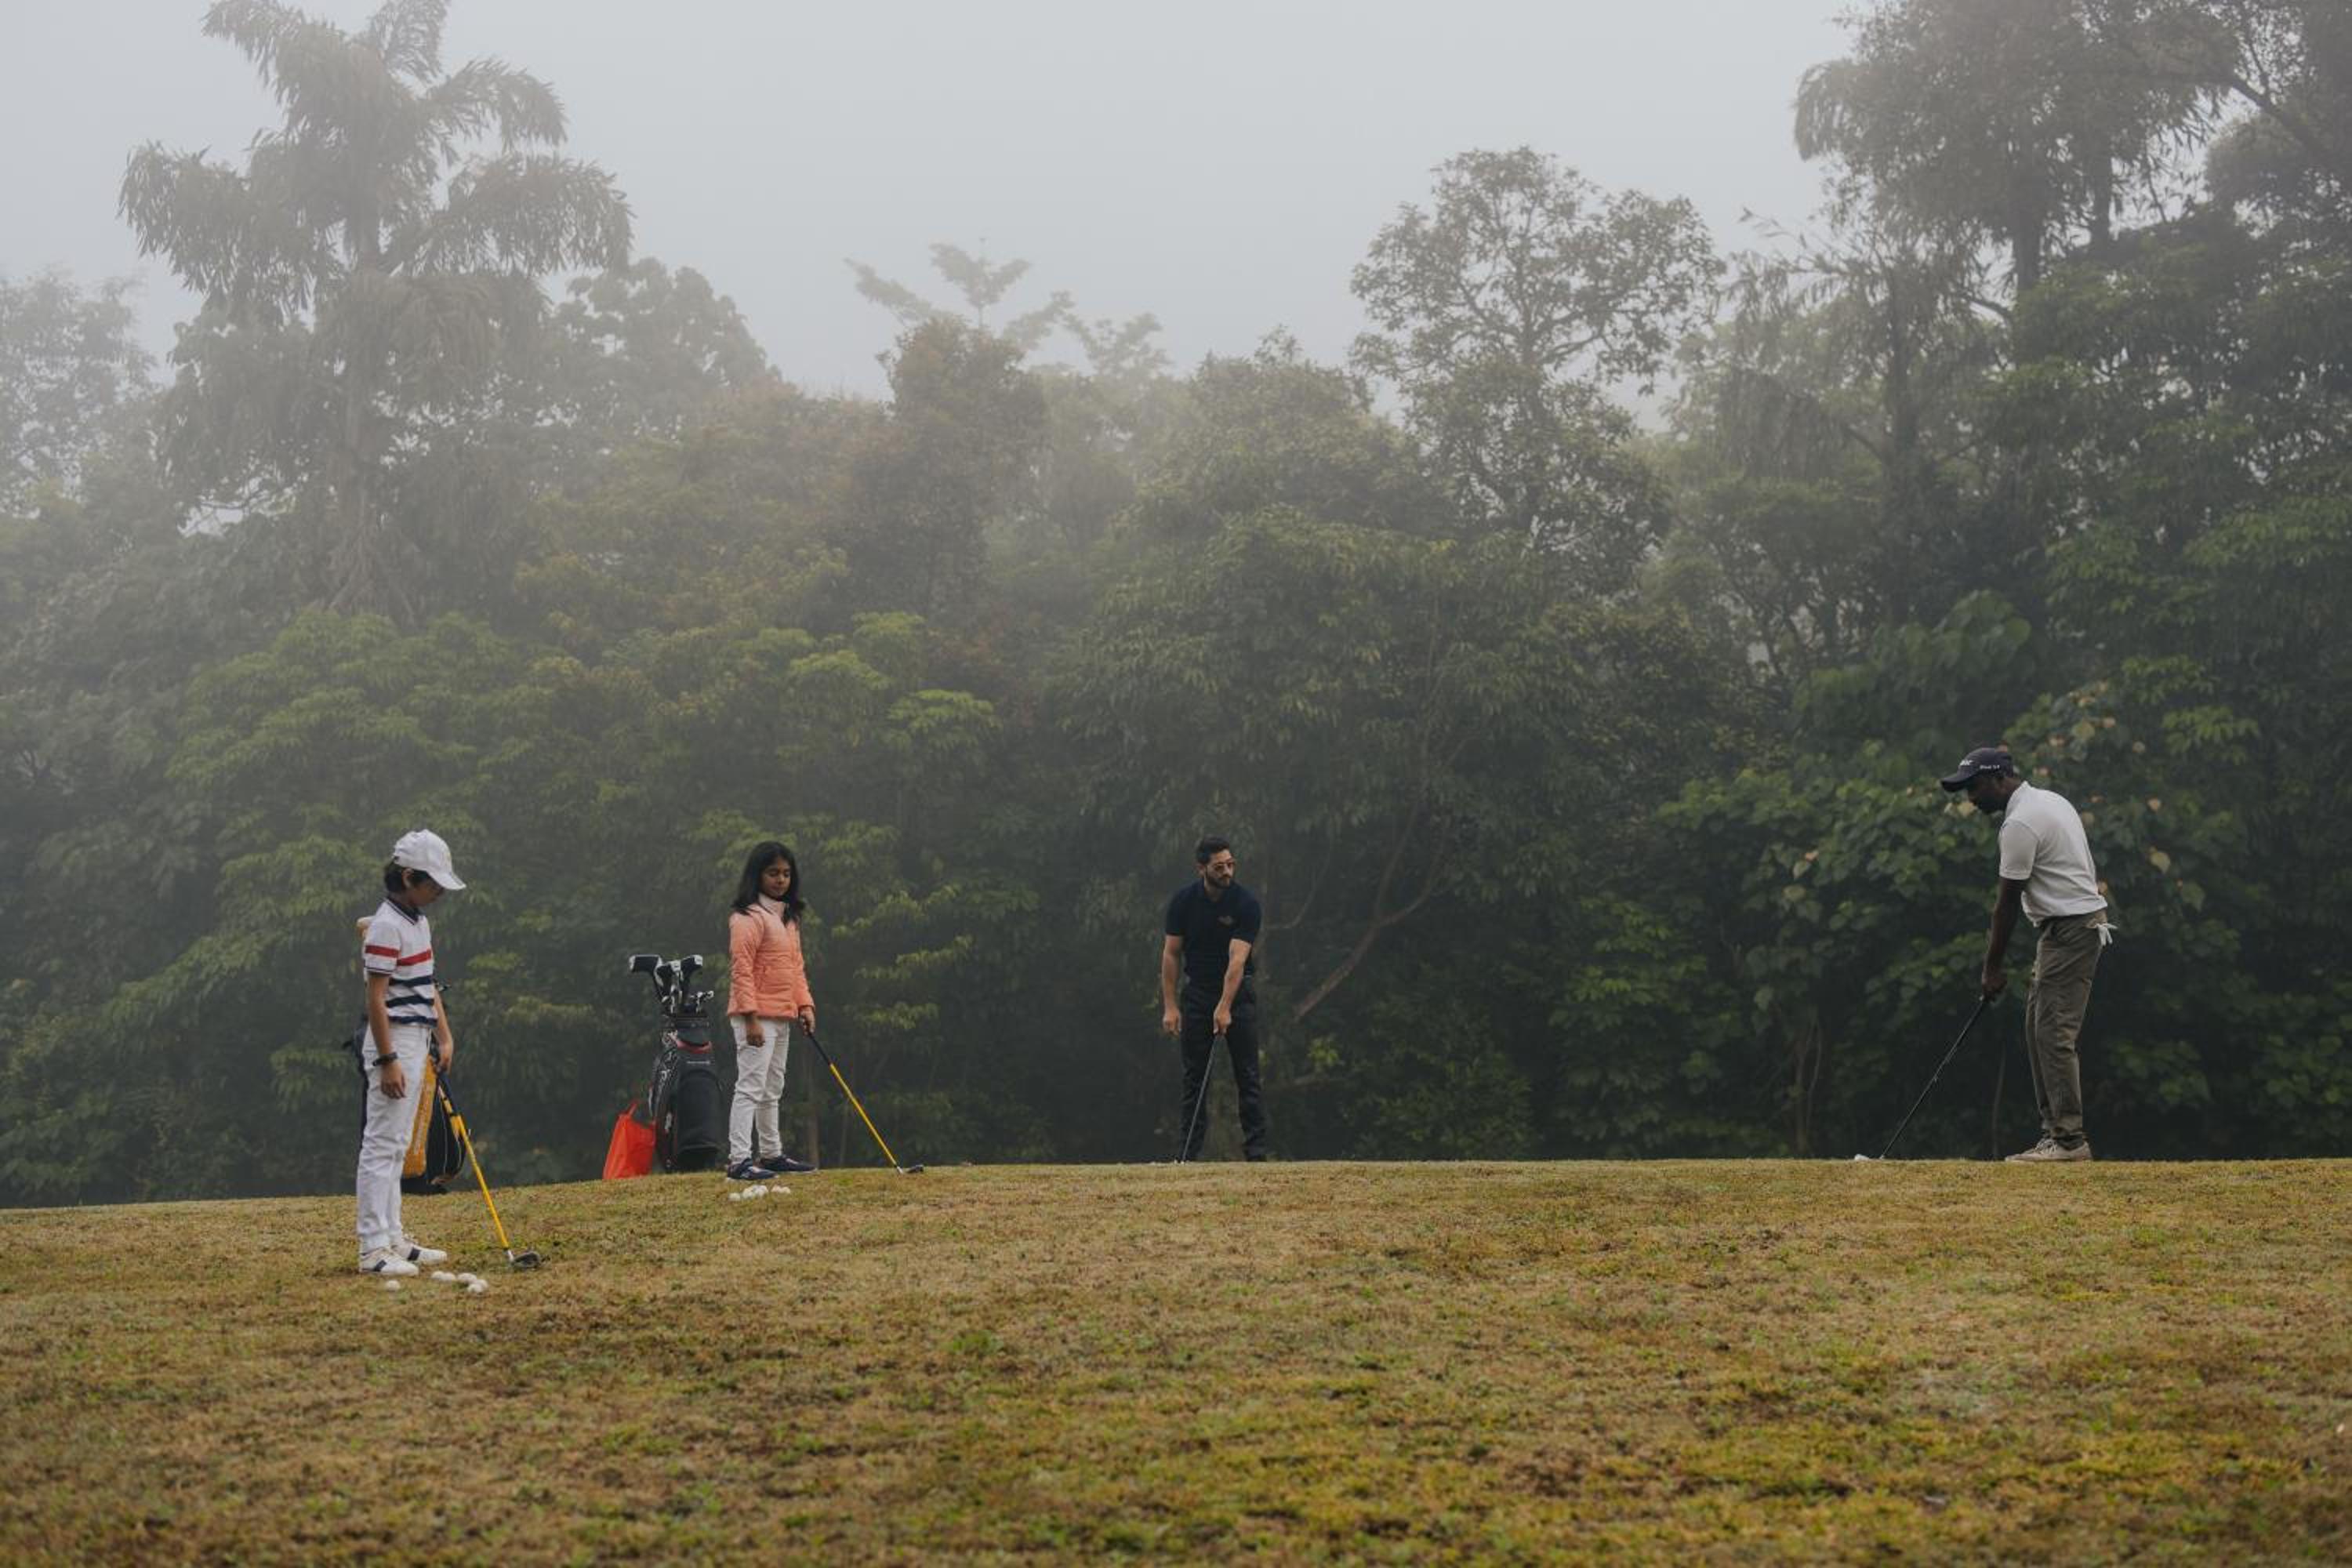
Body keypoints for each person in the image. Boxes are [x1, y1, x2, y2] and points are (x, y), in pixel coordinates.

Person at [1941, 746, 2114, 1163]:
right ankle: (2055, 1134)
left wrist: (1992, 969)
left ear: (2000, 779)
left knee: (2053, 1033)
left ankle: (2069, 1142)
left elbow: (2005, 906)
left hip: (2071, 929)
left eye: (1975, 787)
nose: (1971, 798)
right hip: (2067, 929)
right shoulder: (2050, 800)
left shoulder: (2020, 823)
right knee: (2039, 1029)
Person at [356, 829, 465, 1276]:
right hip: (394, 1040)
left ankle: (395, 1238)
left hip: (417, 1038)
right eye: (432, 883)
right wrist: (388, 1061)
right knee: (381, 1146)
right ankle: (372, 1248)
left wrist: (444, 1036)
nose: (439, 892)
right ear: (407, 877)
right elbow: (376, 999)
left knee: (400, 1145)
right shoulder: (385, 926)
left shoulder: (418, 922)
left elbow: (427, 984)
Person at [1161, 836, 1270, 1161]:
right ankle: (1187, 1155)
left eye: (1231, 865)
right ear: (1202, 869)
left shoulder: (1245, 904)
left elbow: (1237, 960)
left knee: (1247, 1076)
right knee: (1194, 1078)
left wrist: (1224, 1006)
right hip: (1197, 993)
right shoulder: (1183, 902)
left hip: (1237, 994)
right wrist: (1170, 1006)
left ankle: (1256, 1155)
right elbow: (1171, 953)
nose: (1228, 872)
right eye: (1220, 867)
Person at [725, 841, 818, 1181]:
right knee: (750, 1086)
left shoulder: (788, 918)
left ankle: (771, 1154)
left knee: (772, 1089)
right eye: (773, 873)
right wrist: (750, 1018)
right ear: (757, 875)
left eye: (786, 874)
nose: (781, 880)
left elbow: (796, 969)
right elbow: (741, 970)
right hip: (755, 1017)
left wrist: (805, 1005)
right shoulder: (747, 917)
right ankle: (738, 1161)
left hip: (782, 1015)